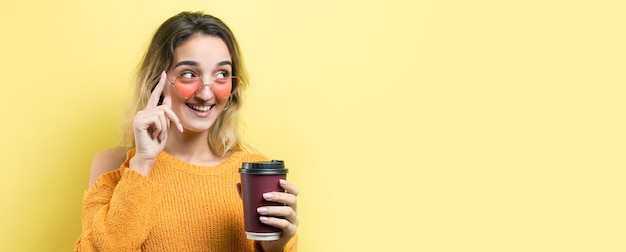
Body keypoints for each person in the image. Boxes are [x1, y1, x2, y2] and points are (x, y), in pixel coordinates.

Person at [74, 11, 299, 252]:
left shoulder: (254, 172)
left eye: (221, 74)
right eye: (189, 74)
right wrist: (142, 166)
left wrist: (275, 249)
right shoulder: (116, 165)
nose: (205, 93)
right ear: (157, 82)